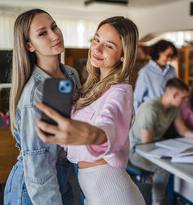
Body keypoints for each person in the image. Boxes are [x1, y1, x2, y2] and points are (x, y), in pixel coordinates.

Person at [35, 16, 144, 205]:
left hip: (114, 194)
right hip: (92, 191)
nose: (97, 49)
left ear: (123, 55)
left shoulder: (120, 91)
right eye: (96, 39)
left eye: (109, 46)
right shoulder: (93, 87)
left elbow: (107, 125)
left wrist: (90, 135)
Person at [4, 9, 80, 205]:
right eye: (43, 33)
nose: (55, 35)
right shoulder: (34, 94)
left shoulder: (70, 75)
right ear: (29, 45)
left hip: (61, 176)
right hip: (33, 187)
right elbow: (38, 167)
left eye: (54, 26)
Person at [129, 77, 193, 205]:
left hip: (156, 146)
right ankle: (156, 202)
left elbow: (183, 131)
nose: (184, 101)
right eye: (183, 98)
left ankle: (176, 196)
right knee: (164, 168)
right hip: (137, 150)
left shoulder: (174, 109)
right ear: (175, 95)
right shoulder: (151, 109)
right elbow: (146, 146)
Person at [133, 39, 178, 112]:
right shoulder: (145, 72)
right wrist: (137, 118)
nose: (169, 59)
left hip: (169, 112)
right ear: (158, 52)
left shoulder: (172, 70)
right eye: (168, 55)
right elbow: (137, 97)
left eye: (171, 56)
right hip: (152, 112)